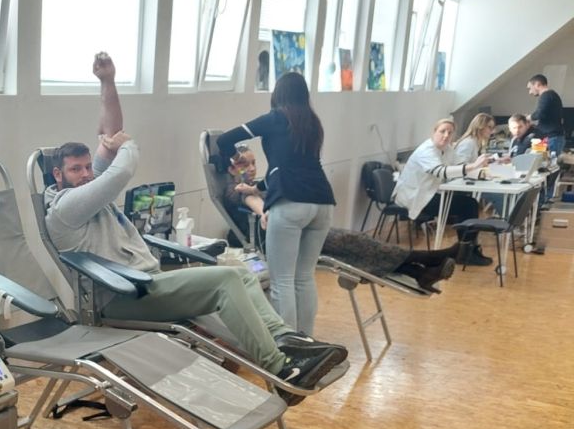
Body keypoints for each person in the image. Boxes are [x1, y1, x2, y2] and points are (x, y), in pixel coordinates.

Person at [43, 53, 348, 404]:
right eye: (76, 169)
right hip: (122, 297)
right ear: (58, 175)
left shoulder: (88, 192)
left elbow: (109, 134)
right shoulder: (65, 208)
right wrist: (128, 146)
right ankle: (279, 369)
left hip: (147, 285)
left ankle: (287, 341)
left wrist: (108, 82)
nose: (86, 174)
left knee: (240, 273)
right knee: (226, 280)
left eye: (87, 167)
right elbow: (120, 170)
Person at [224, 147, 459, 292]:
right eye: (245, 164)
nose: (251, 168)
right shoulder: (234, 189)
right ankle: (428, 258)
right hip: (281, 240)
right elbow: (252, 201)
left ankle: (419, 272)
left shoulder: (258, 184)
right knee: (352, 242)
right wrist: (265, 211)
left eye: (254, 162)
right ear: (232, 169)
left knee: (354, 248)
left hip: (298, 231)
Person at [215, 72, 335, 337]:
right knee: (304, 277)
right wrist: (256, 189)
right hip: (323, 203)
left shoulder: (275, 118)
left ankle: (287, 345)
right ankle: (307, 340)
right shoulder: (313, 123)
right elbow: (286, 170)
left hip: (291, 205)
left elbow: (224, 139)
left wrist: (232, 159)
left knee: (282, 282)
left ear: (278, 94)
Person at [392, 118, 494, 266]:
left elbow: (461, 165)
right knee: (468, 205)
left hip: (429, 193)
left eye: (450, 133)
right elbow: (441, 172)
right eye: (442, 131)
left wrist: (486, 169)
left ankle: (467, 250)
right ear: (434, 132)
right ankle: (466, 252)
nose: (446, 135)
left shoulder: (446, 149)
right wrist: (474, 167)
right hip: (414, 197)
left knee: (469, 204)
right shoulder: (426, 150)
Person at [527, 73, 565, 159]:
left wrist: (529, 117)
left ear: (537, 84)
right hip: (553, 137)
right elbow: (547, 117)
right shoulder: (551, 95)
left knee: (552, 163)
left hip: (552, 138)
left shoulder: (546, 96)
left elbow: (540, 113)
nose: (530, 92)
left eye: (530, 88)